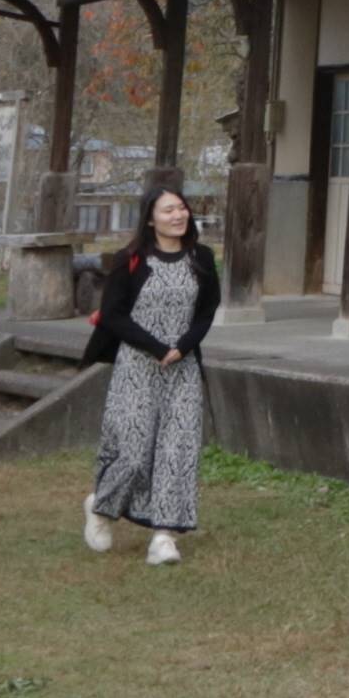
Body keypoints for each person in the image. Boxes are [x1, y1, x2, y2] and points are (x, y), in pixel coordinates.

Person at [79, 183, 219, 565]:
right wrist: (157, 348)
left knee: (178, 451)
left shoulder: (201, 258)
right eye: (168, 210)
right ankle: (102, 506)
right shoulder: (131, 260)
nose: (177, 216)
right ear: (150, 218)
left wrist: (183, 346)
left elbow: (208, 310)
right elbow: (112, 315)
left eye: (181, 208)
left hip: (183, 369)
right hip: (138, 366)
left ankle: (164, 537)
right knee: (134, 452)